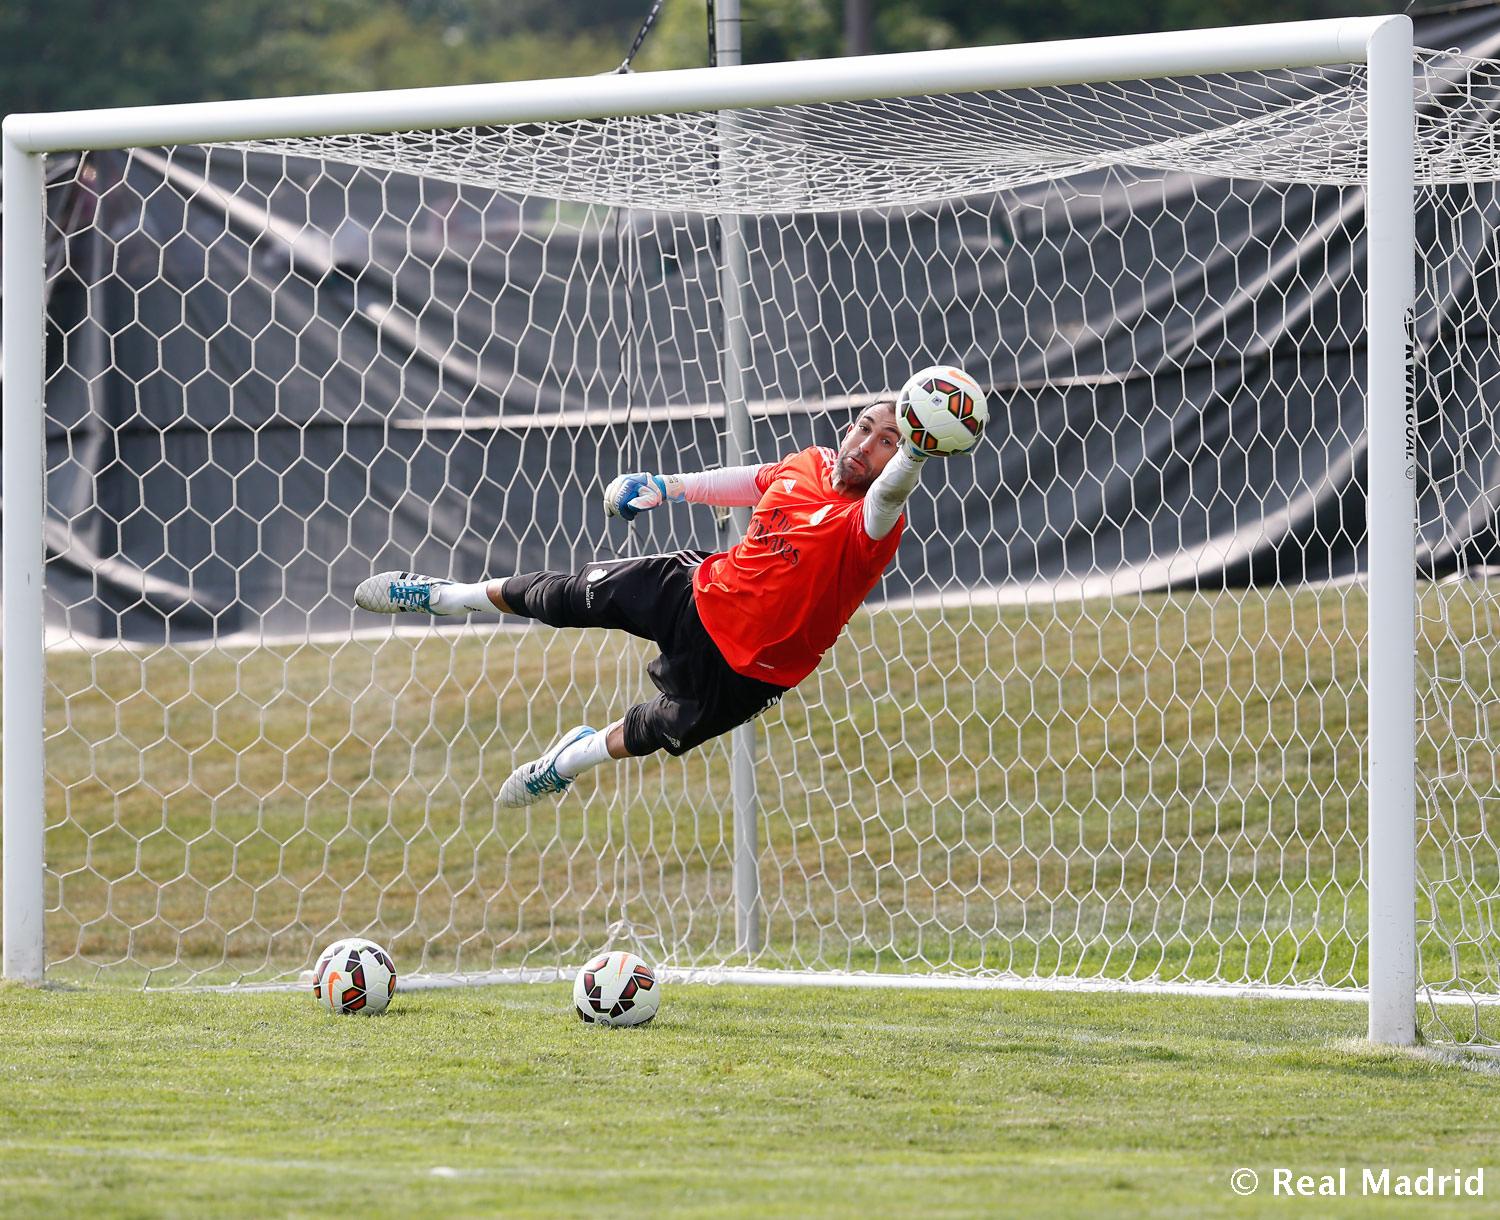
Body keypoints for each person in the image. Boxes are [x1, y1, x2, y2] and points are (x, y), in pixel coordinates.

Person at [354, 398, 956, 806]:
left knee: (654, 732)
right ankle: (442, 596)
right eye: (863, 428)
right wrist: (666, 487)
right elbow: (754, 480)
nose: (865, 446)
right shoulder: (811, 464)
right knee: (569, 597)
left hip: (751, 669)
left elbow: (889, 493)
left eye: (886, 442)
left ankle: (567, 764)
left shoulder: (872, 525)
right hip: (696, 592)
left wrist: (915, 450)